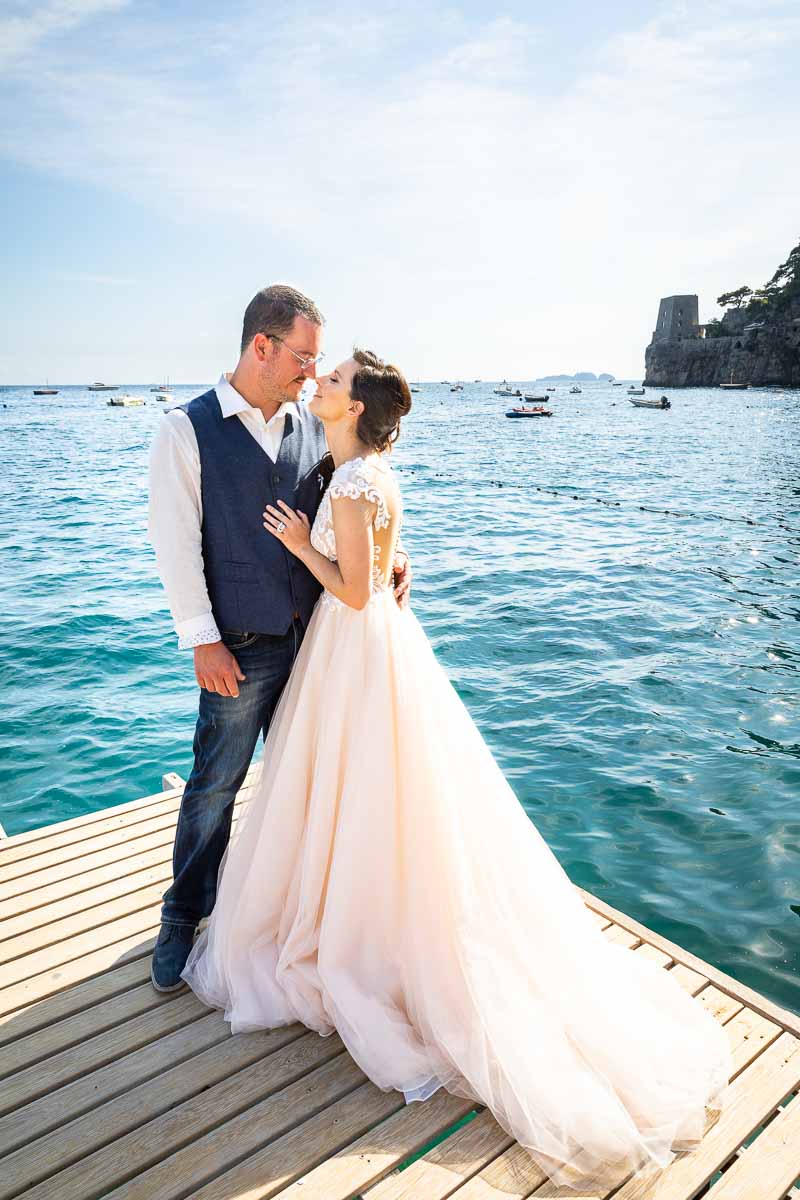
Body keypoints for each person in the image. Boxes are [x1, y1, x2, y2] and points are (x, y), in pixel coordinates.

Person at [180, 349, 731, 1191]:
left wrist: (300, 544)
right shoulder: (357, 467)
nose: (319, 383)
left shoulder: (360, 481)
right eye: (319, 375)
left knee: (355, 791)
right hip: (362, 654)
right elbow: (380, 570)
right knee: (366, 794)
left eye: (333, 381)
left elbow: (357, 593)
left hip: (353, 644)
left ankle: (357, 931)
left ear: (357, 407)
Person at [147, 286, 412, 991]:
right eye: (303, 356)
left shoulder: (310, 423)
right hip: (238, 644)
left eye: (319, 362)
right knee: (214, 784)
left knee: (310, 783)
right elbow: (174, 545)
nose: (309, 371)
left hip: (318, 643)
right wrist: (202, 639)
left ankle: (296, 914)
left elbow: (353, 507)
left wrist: (392, 564)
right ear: (261, 346)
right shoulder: (185, 429)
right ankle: (183, 915)